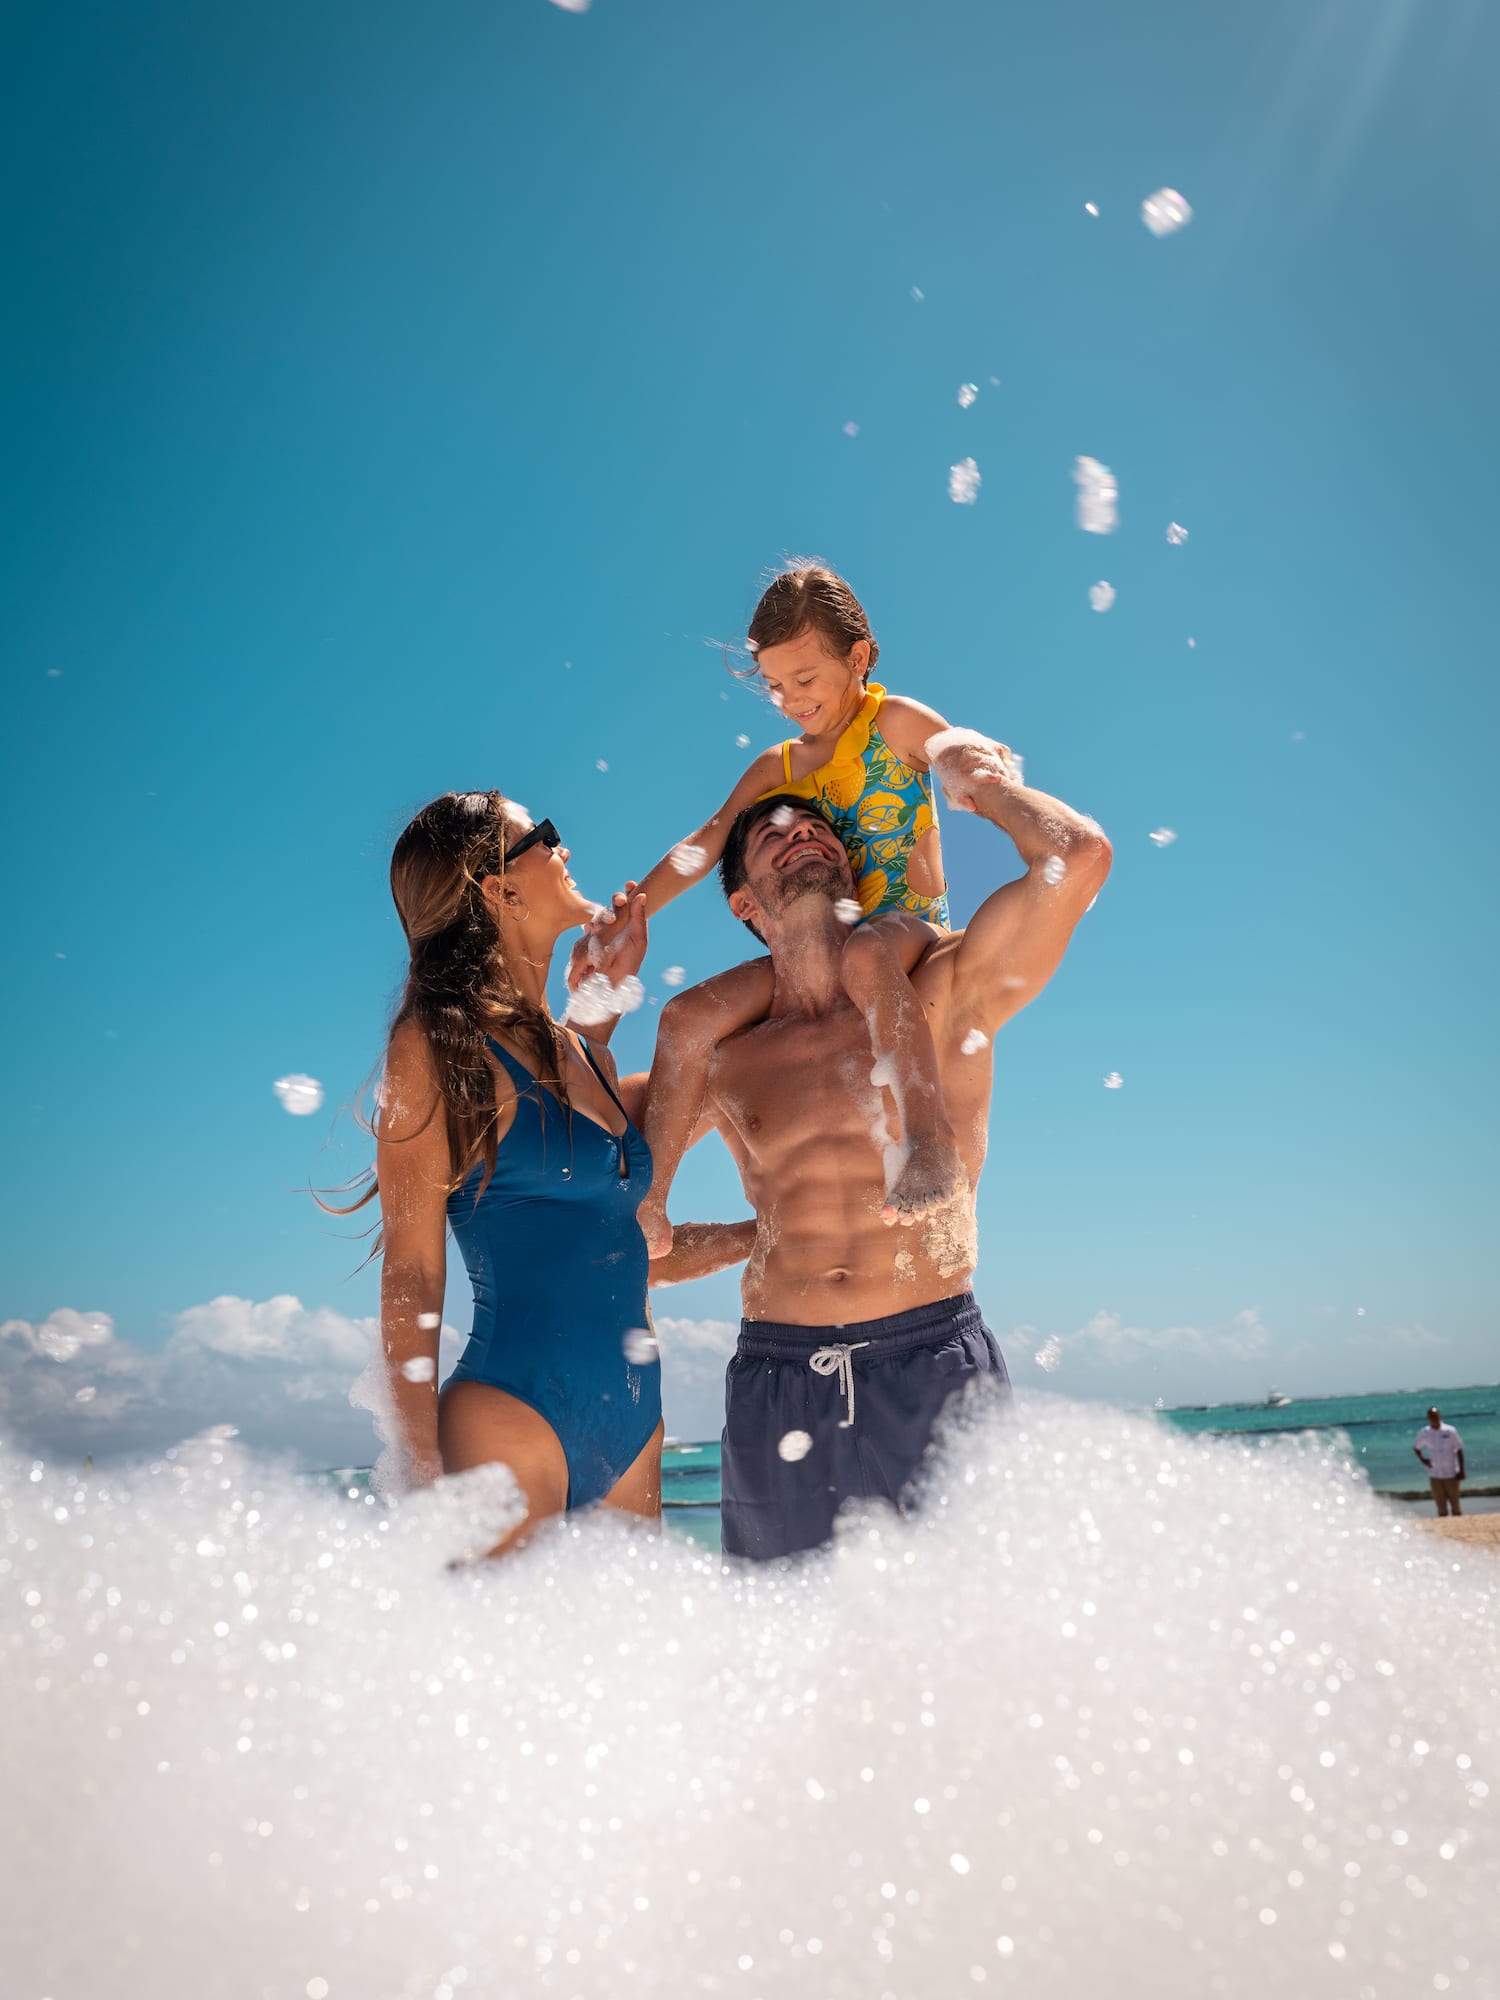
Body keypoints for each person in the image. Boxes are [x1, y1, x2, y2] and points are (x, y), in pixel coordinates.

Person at [684, 733, 1110, 1560]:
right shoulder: (726, 1057)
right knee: (782, 1629)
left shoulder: (942, 989)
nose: (802, 833)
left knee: (976, 1622)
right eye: (772, 833)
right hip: (777, 1376)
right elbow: (607, 1192)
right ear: (743, 904)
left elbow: (1079, 858)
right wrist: (752, 1239)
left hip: (932, 1360)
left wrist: (976, 779)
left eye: (818, 828)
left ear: (849, 870)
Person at [360, 790, 752, 1554]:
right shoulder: (435, 1046)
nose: (562, 848)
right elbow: (412, 1273)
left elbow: (606, 1236)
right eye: (542, 836)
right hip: (508, 1414)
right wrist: (419, 1468)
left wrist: (769, 1233)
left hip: (634, 1421)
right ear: (498, 890)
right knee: (501, 1638)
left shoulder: (582, 1051)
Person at [629, 562, 987, 1257]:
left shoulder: (894, 722)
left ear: (857, 658)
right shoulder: (781, 766)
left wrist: (977, 765)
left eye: (805, 679)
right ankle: (647, 1201)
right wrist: (632, 911)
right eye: (776, 686)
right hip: (818, 948)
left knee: (866, 954)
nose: (791, 700)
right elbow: (708, 841)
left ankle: (929, 1140)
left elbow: (952, 749)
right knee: (687, 1016)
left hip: (903, 933)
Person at [1413, 1407, 1466, 1517]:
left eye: (1436, 1416)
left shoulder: (1450, 1431)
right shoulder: (1425, 1432)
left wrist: (1462, 1470)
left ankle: (1457, 1522)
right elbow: (1416, 1447)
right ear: (1428, 1418)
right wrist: (1423, 1460)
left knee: (1455, 1505)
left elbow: (1459, 1449)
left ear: (1440, 1416)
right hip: (1435, 1474)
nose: (1434, 1418)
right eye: (1432, 1416)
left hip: (1451, 1473)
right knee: (1440, 1507)